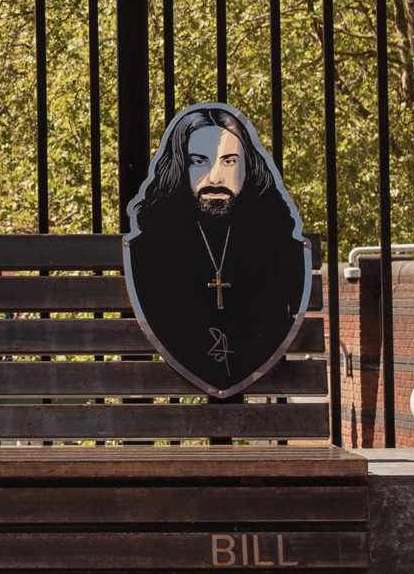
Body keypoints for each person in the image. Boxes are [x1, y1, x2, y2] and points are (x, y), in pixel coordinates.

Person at [122, 102, 315, 399]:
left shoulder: (278, 244)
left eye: (228, 161)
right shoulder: (150, 249)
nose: (214, 177)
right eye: (198, 162)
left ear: (249, 167)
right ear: (179, 167)